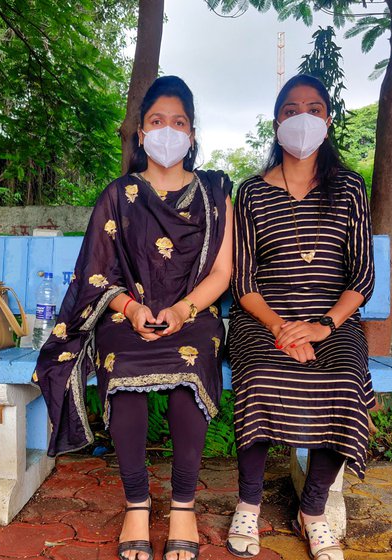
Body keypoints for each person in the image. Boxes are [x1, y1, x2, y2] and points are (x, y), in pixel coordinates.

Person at [32, 76, 233, 560]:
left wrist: (183, 309)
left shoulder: (213, 192)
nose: (168, 131)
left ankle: (183, 505)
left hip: (195, 312)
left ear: (192, 131)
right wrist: (132, 307)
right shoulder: (118, 194)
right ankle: (137, 504)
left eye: (179, 122)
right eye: (157, 122)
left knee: (191, 368)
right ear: (141, 134)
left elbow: (223, 271)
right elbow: (96, 274)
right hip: (128, 313)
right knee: (119, 365)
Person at [225, 74, 375, 560]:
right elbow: (243, 281)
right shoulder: (250, 193)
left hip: (331, 322)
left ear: (327, 122)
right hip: (262, 320)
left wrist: (322, 326)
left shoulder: (349, 187)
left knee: (345, 378)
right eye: (291, 110)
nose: (302, 118)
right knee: (261, 373)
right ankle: (248, 502)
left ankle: (312, 509)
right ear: (276, 124)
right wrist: (280, 329)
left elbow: (363, 276)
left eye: (314, 109)